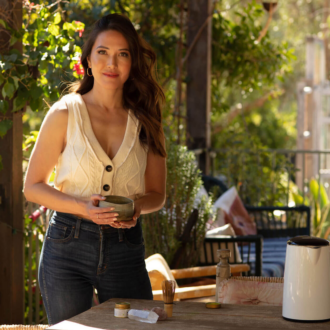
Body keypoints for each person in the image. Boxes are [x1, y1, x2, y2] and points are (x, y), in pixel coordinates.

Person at [24, 13, 167, 324]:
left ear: (132, 64)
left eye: (122, 54)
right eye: (102, 52)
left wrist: (135, 207)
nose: (111, 63)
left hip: (125, 249)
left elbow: (158, 194)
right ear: (88, 60)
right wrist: (80, 206)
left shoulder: (147, 120)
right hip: (66, 247)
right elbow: (32, 185)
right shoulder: (64, 112)